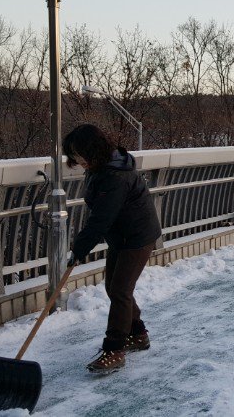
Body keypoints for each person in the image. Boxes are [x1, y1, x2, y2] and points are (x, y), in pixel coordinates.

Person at [64, 124, 161, 374]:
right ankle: (138, 334)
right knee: (114, 288)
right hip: (122, 235)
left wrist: (79, 248)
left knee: (120, 290)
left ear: (92, 150)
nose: (77, 160)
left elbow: (101, 218)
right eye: (73, 155)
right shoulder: (103, 167)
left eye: (79, 154)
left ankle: (114, 350)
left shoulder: (115, 176)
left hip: (137, 236)